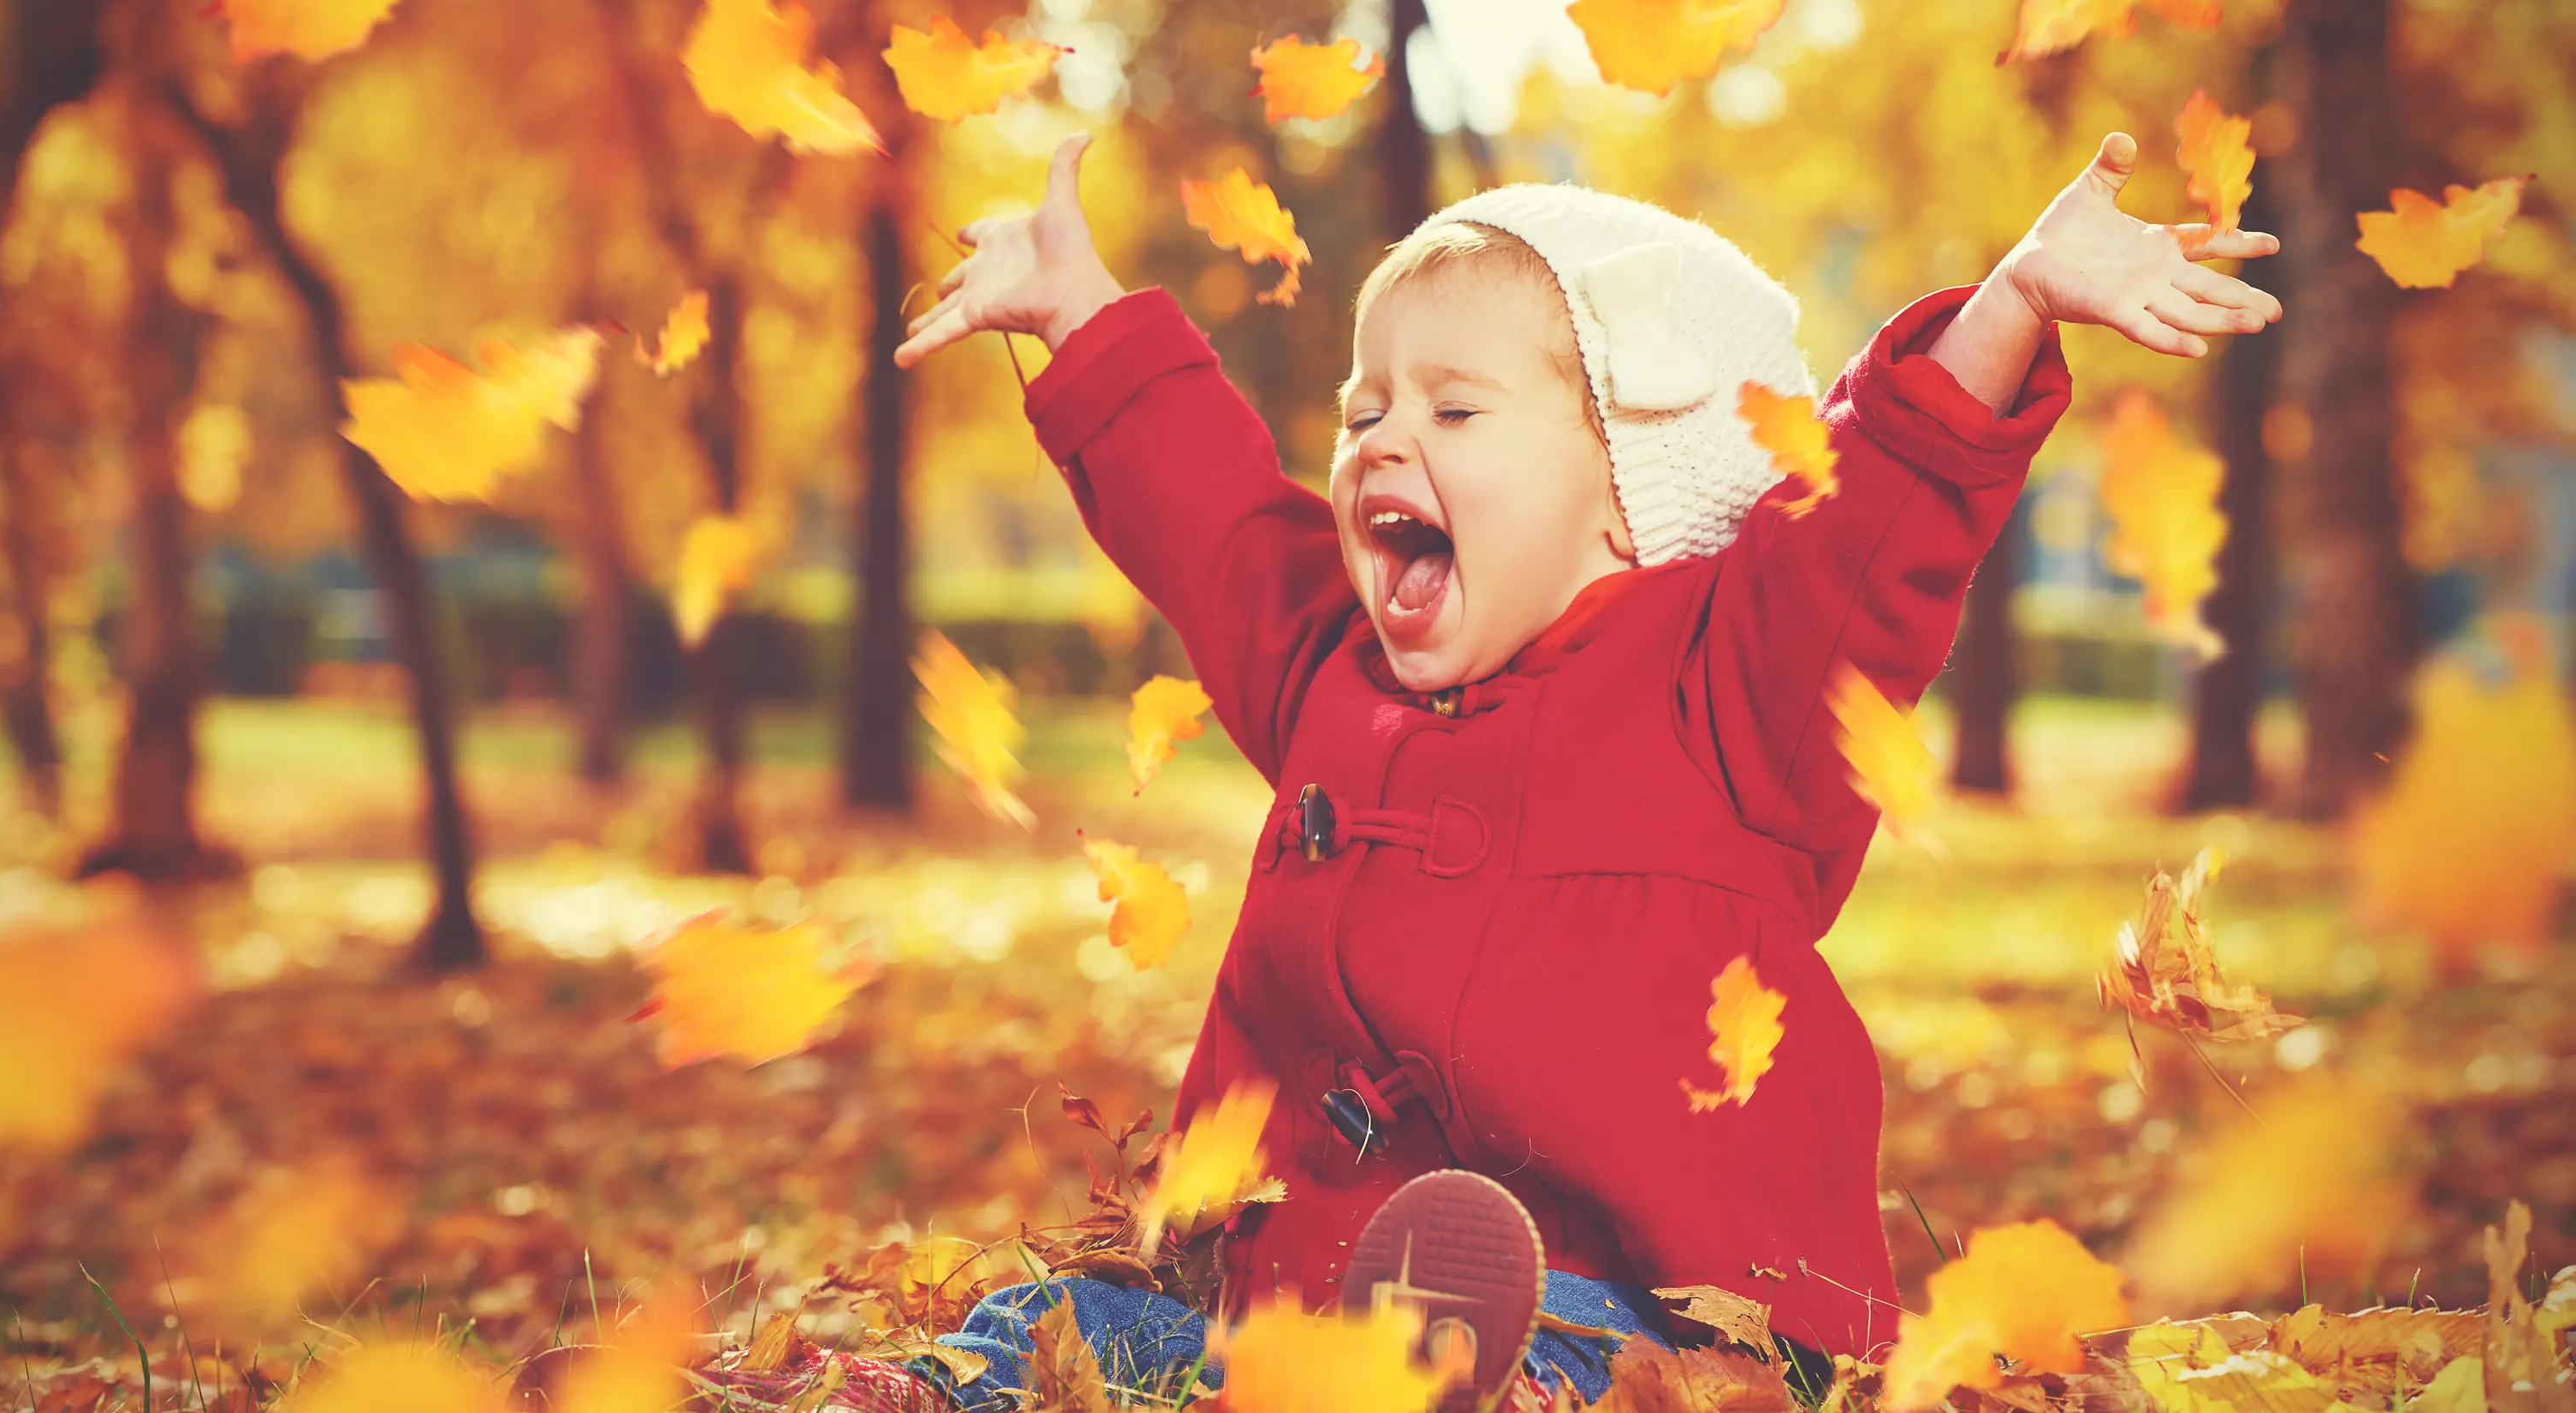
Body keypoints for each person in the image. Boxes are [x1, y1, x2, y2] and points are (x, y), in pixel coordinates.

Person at [731, 130, 2279, 1413]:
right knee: (1061, 1334)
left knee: (1564, 1370)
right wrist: (1082, 314)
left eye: (1454, 408)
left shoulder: (1739, 692)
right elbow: (1213, 524)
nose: (1380, 440)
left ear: (1629, 494)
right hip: (1304, 1314)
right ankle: (884, 1393)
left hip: (1658, 1324)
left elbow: (1872, 531)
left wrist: (2011, 305)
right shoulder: (1337, 670)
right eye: (1364, 408)